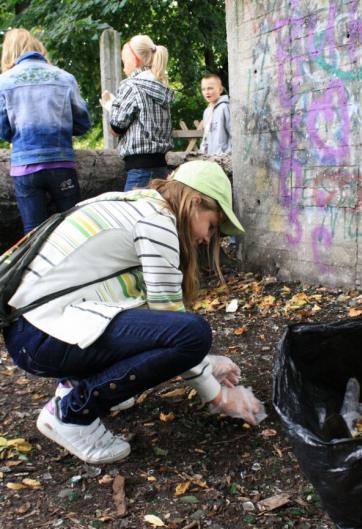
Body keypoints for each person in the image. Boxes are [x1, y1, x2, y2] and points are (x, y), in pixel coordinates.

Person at [2, 160, 266, 464]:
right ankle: (72, 413)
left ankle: (74, 385)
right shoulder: (158, 223)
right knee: (193, 334)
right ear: (195, 202)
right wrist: (219, 397)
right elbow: (173, 322)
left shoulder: (133, 204)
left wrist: (206, 362)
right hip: (40, 336)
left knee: (184, 337)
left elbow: (147, 317)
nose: (209, 239)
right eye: (212, 225)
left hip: (28, 330)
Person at [0, 28, 91, 233]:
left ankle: (38, 265)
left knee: (33, 233)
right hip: (61, 165)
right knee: (73, 229)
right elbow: (83, 123)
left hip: (26, 168)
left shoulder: (4, 82)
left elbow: (3, 129)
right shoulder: (65, 78)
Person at [100, 34, 174, 191]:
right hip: (162, 170)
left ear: (134, 60)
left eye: (124, 61)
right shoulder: (160, 87)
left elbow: (116, 128)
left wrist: (112, 106)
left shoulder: (131, 86)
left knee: (134, 215)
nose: (123, 66)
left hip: (140, 172)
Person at [200, 73, 231, 155]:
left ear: (220, 90)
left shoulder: (225, 107)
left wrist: (227, 154)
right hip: (209, 158)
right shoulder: (206, 112)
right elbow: (205, 136)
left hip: (224, 158)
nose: (206, 92)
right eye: (203, 89)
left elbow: (233, 134)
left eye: (210, 88)